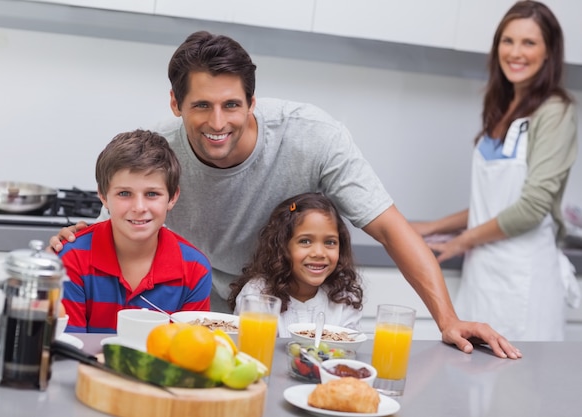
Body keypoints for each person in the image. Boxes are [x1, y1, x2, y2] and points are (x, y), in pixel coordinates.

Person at [51, 31, 521, 358]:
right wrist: (80, 234)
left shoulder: (313, 137)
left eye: (232, 105)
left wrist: (448, 320)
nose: (218, 123)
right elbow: (114, 228)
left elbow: (389, 227)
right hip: (193, 310)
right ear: (176, 105)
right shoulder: (159, 151)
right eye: (201, 106)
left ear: (253, 102)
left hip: (271, 311)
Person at [411, 1, 579, 341]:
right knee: (471, 387)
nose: (516, 52)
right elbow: (497, 205)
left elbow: (530, 208)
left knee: (518, 391)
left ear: (549, 52)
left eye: (529, 43)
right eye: (508, 40)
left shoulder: (555, 111)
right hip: (484, 275)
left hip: (523, 280)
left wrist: (460, 242)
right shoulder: (503, 108)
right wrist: (434, 226)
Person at [56, 129, 212, 333]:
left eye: (152, 194)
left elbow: (190, 354)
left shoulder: (195, 270)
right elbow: (70, 348)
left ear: (172, 197)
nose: (139, 207)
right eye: (124, 193)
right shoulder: (73, 258)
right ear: (103, 196)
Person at [228, 193, 363, 337]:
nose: (319, 253)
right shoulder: (257, 295)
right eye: (305, 241)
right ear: (282, 247)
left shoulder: (345, 299)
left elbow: (346, 353)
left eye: (330, 242)